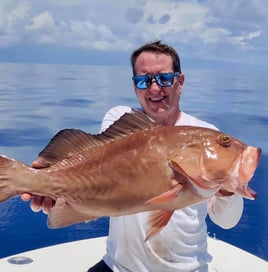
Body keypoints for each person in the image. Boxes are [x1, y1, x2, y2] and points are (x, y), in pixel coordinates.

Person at [21, 41, 243, 272]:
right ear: (135, 86)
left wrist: (227, 188)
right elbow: (103, 180)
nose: (155, 89)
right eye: (144, 80)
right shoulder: (120, 118)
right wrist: (54, 187)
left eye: (164, 78)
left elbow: (228, 221)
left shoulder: (205, 133)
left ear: (180, 82)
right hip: (117, 266)